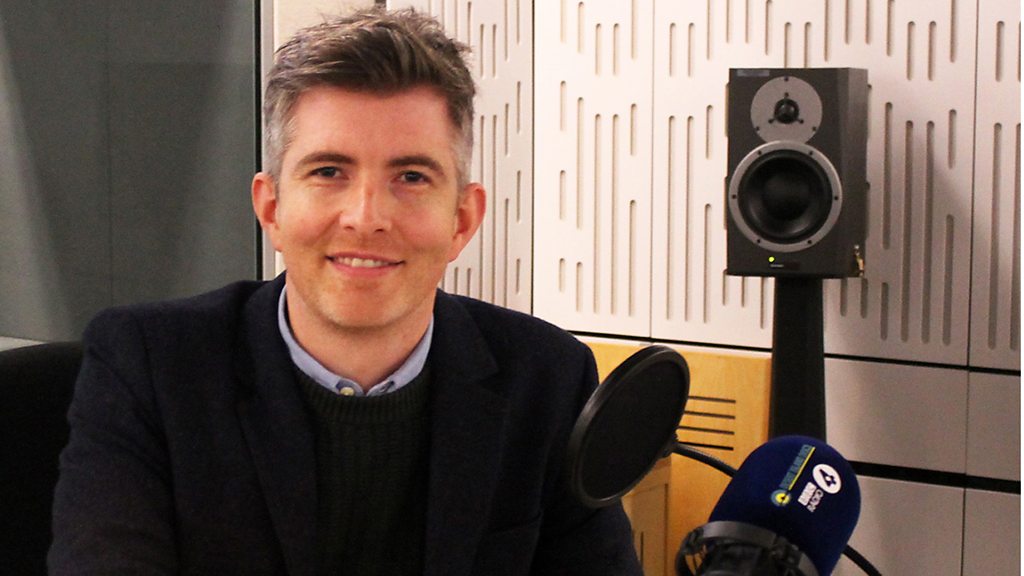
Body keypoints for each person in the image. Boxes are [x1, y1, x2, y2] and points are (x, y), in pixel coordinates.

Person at [48, 7, 642, 576]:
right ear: (272, 208)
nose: (366, 217)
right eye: (329, 172)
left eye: (411, 176)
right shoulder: (148, 366)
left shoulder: (548, 379)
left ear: (462, 220)